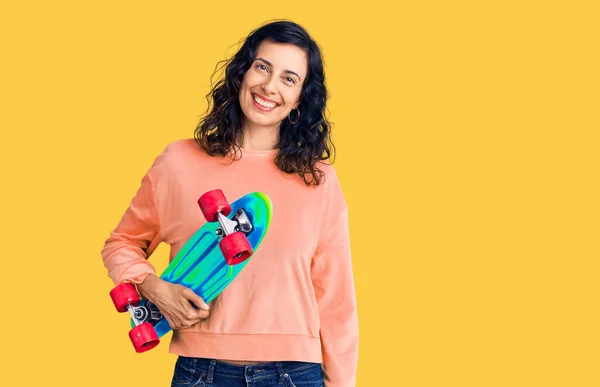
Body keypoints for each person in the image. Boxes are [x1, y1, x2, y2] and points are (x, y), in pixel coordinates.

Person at [101, 20, 358, 387]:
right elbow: (121, 243)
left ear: (301, 99)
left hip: (294, 375)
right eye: (263, 67)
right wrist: (152, 287)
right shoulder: (178, 162)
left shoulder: (317, 179)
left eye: (289, 78)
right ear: (242, 73)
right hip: (201, 372)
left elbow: (336, 301)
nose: (269, 86)